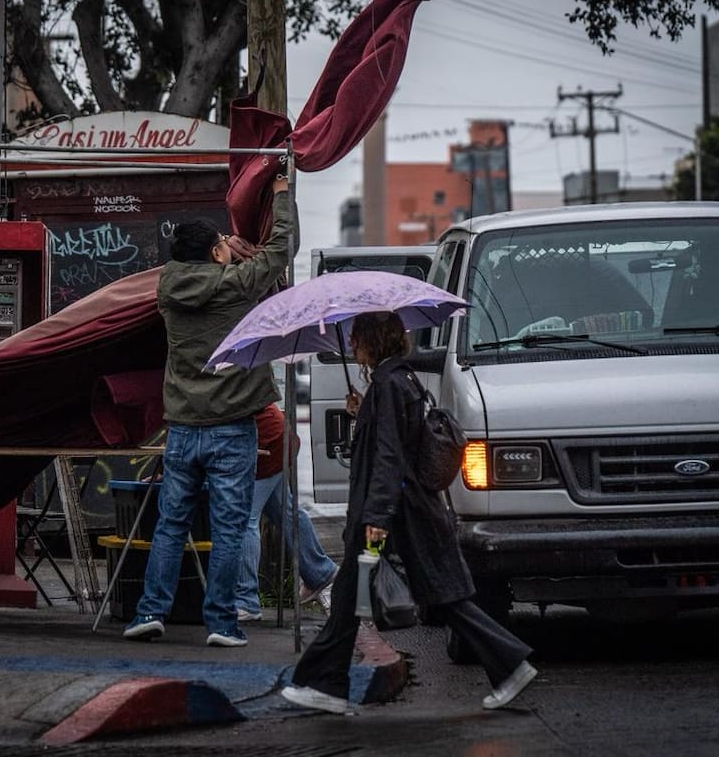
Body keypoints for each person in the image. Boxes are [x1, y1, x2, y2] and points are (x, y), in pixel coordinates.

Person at [281, 311, 537, 713]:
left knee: (369, 596)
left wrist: (375, 522)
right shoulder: (400, 380)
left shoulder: (387, 385)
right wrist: (361, 412)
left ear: (375, 341)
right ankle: (326, 683)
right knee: (382, 597)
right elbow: (397, 442)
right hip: (407, 514)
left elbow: (388, 458)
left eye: (358, 338)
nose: (352, 346)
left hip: (389, 517)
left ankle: (323, 684)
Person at [123, 174, 297, 647]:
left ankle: (149, 612)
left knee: (170, 524)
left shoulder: (166, 289)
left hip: (181, 429)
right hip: (231, 429)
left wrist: (226, 254)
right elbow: (281, 250)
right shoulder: (233, 285)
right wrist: (281, 196)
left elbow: (212, 270)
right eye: (221, 242)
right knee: (228, 528)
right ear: (214, 253)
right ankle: (221, 623)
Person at [236, 402, 337, 621]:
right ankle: (320, 573)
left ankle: (246, 600)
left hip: (264, 445)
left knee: (244, 520)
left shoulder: (217, 377)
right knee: (286, 510)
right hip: (276, 437)